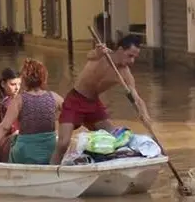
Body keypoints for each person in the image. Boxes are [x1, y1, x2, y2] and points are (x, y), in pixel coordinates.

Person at [50, 34, 151, 165]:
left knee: (114, 140)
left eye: (134, 58)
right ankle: (52, 169)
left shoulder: (125, 73)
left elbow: (136, 98)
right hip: (75, 99)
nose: (132, 61)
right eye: (130, 56)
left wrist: (145, 115)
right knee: (63, 144)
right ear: (120, 50)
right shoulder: (102, 54)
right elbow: (90, 55)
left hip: (94, 104)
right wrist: (97, 52)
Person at [0, 58, 63, 165]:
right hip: (50, 151)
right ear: (44, 77)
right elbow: (72, 116)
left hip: (25, 153)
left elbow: (4, 127)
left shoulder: (19, 100)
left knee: (13, 143)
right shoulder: (54, 97)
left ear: (25, 79)